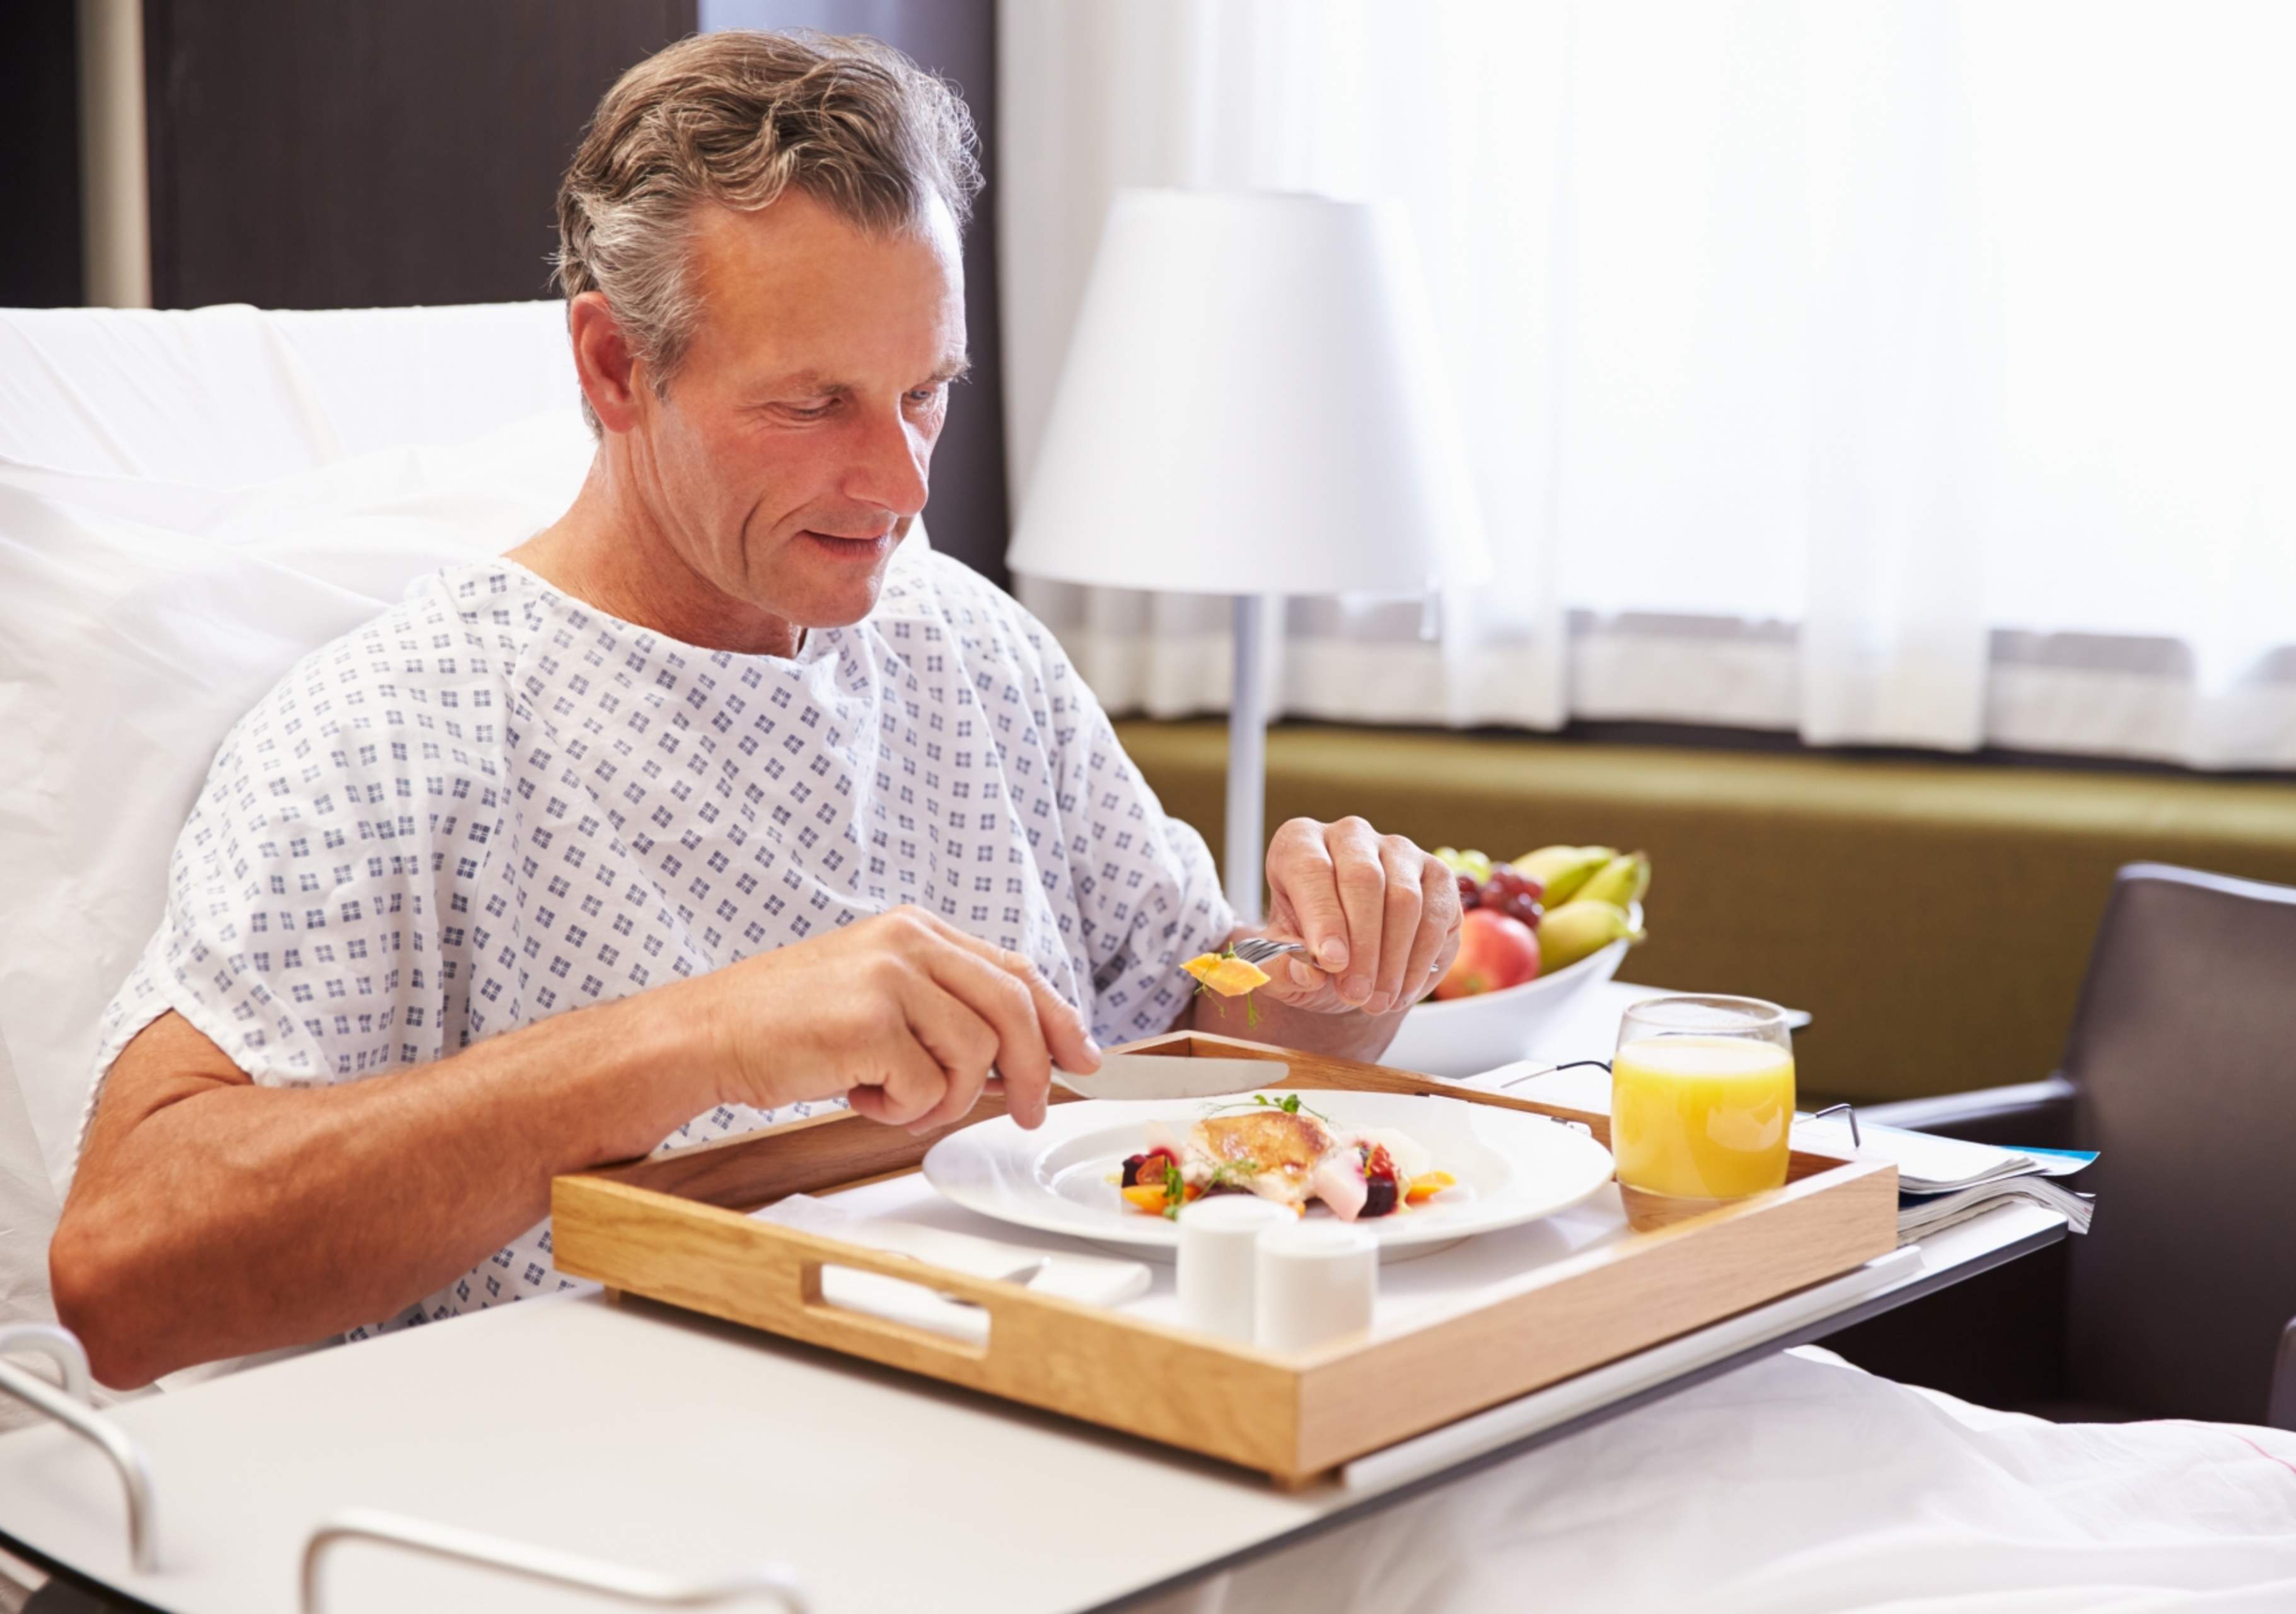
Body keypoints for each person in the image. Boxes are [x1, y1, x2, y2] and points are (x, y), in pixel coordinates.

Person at [48, 29, 1462, 1391]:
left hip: (1060, 1396)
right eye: (813, 404)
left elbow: (1199, 1013)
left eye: (926, 392)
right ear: (616, 367)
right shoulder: (400, 732)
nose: (903, 485)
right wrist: (701, 1038)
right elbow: (125, 1272)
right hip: (631, 1464)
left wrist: (1329, 967)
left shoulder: (971, 647)